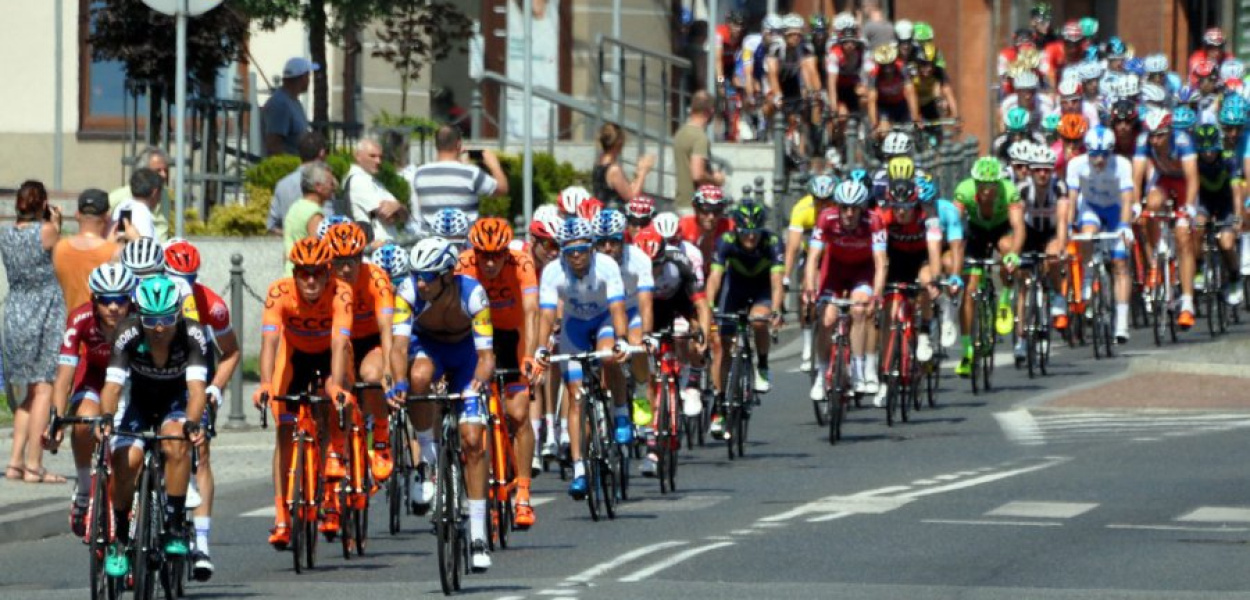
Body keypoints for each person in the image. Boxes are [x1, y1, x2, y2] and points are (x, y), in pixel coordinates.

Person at [97, 275, 211, 579]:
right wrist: (106, 418)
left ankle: (174, 526)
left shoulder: (193, 334)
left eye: (166, 318)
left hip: (176, 401)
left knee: (176, 441)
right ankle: (120, 538)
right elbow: (112, 386)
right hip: (140, 404)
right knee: (126, 461)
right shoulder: (128, 332)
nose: (159, 327)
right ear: (140, 315)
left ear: (178, 313)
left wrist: (192, 423)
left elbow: (197, 390)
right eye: (151, 319)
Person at [400, 237, 496, 571]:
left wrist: (477, 385)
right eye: (417, 274)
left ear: (447, 275)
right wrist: (398, 383)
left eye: (428, 275)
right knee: (418, 377)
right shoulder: (409, 292)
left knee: (472, 440)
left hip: (467, 356)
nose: (420, 282)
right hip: (430, 350)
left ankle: (479, 533)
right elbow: (398, 349)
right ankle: (426, 460)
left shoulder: (473, 294)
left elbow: (486, 356)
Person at [253, 238, 354, 548]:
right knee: (284, 430)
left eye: (317, 274)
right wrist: (266, 384)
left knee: (336, 398)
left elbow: (339, 343)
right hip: (295, 356)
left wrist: (337, 386)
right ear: (294, 274)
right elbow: (270, 342)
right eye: (303, 273)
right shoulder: (279, 292)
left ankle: (335, 451)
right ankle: (282, 516)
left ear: (328, 273)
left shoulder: (342, 292)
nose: (310, 281)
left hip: (330, 356)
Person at [531, 218, 631, 500]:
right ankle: (579, 470)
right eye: (569, 251)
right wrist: (541, 348)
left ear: (592, 249)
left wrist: (622, 340)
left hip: (603, 321)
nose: (576, 256)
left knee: (610, 358)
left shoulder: (607, 267)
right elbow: (547, 314)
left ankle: (621, 414)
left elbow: (618, 309)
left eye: (582, 250)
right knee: (575, 396)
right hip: (575, 327)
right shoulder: (552, 272)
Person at [162, 240, 241, 581]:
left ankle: (203, 542)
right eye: (177, 276)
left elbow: (231, 352)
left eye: (191, 277)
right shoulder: (148, 296)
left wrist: (215, 388)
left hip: (196, 377)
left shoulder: (212, 303)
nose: (185, 285)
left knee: (201, 451)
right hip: (158, 377)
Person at [456, 218, 541, 528]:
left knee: (518, 413)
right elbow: (455, 311)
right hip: (475, 337)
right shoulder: (464, 263)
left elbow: (531, 311)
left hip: (512, 335)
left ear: (507, 251)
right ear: (473, 251)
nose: (490, 262)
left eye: (497, 254)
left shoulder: (522, 262)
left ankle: (523, 493)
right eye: (483, 254)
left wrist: (530, 356)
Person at [45, 264, 135, 537]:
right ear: (94, 300)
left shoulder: (140, 319)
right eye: (106, 300)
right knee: (84, 422)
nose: (114, 307)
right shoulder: (80, 319)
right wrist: (56, 419)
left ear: (130, 299)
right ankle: (84, 488)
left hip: (130, 380)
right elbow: (63, 377)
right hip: (95, 377)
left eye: (120, 299)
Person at [1, 180, 67, 484]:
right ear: (42, 203)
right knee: (43, 388)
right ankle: (34, 464)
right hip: (45, 311)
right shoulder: (47, 231)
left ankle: (14, 463)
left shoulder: (5, 233)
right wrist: (56, 222)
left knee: (27, 392)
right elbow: (59, 258)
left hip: (15, 310)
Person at [323, 223, 397, 487]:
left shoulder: (376, 278)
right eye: (339, 261)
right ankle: (336, 444)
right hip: (338, 341)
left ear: (361, 258)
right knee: (335, 383)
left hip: (371, 340)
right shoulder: (323, 282)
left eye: (352, 260)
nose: (346, 268)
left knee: (372, 374)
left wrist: (389, 369)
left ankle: (380, 432)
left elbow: (387, 329)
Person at [705, 202, 784, 435]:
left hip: (762, 289)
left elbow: (777, 283)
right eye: (745, 233)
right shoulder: (726, 241)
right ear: (737, 230)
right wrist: (709, 307)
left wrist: (777, 310)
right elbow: (715, 278)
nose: (750, 238)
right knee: (721, 346)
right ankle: (719, 406)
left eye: (755, 233)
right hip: (735, 288)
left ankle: (762, 366)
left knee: (759, 320)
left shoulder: (772, 242)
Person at [803, 179, 886, 401]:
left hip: (862, 270)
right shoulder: (826, 218)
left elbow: (880, 262)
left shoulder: (874, 221)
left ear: (862, 208)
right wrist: (810, 288)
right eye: (844, 208)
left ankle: (859, 370)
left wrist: (876, 294)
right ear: (837, 207)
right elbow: (813, 258)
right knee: (827, 320)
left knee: (859, 311)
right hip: (835, 271)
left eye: (854, 208)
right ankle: (821, 375)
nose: (849, 213)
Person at [954, 157, 1025, 376]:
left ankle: (1005, 297)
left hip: (1000, 228)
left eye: (991, 185)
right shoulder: (964, 190)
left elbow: (1018, 226)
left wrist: (1014, 254)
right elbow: (954, 225)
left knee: (1007, 248)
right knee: (970, 289)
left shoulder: (1009, 190)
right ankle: (967, 351)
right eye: (982, 185)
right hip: (975, 231)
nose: (986, 190)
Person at [410, 125, 509, 229]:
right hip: (465, 240)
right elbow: (502, 189)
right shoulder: (471, 173)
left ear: (436, 145)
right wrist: (494, 165)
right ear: (458, 144)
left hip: (432, 239)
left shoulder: (419, 174)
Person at [52, 189, 119, 311]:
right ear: (107, 217)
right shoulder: (114, 252)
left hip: (68, 324)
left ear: (77, 215)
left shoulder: (59, 247)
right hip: (97, 325)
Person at [343, 138, 407, 244]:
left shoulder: (374, 181)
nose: (378, 161)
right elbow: (387, 216)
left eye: (380, 157)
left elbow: (405, 216)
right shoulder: (358, 180)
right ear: (357, 156)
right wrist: (397, 210)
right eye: (372, 156)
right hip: (374, 248)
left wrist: (397, 206)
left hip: (387, 247)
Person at [673, 91, 726, 212]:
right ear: (711, 111)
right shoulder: (700, 137)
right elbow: (698, 174)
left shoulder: (680, 133)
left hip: (681, 202)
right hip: (696, 207)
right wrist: (716, 180)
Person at [269, 132, 330, 235]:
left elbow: (272, 225)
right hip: (319, 247)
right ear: (322, 153)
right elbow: (329, 221)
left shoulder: (282, 184)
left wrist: (293, 235)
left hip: (291, 248)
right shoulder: (324, 182)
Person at [108, 146, 172, 240]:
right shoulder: (125, 202)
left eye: (166, 170)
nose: (164, 175)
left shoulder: (165, 194)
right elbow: (121, 235)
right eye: (158, 170)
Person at [283, 161, 334, 274]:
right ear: (318, 187)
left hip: (290, 273)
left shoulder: (295, 207)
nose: (333, 187)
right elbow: (319, 250)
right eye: (330, 183)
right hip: (306, 278)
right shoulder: (314, 214)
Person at [263, 57, 317, 157]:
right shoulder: (280, 104)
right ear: (302, 78)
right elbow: (273, 146)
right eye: (308, 76)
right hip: (290, 169)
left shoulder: (294, 102)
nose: (309, 80)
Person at [593, 122, 655, 209]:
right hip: (614, 216)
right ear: (619, 143)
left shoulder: (599, 165)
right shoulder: (614, 170)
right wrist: (643, 172)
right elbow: (632, 197)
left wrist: (638, 174)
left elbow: (626, 190)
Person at [110, 167, 164, 242]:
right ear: (155, 192)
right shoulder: (141, 213)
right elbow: (145, 250)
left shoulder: (123, 207)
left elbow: (121, 241)